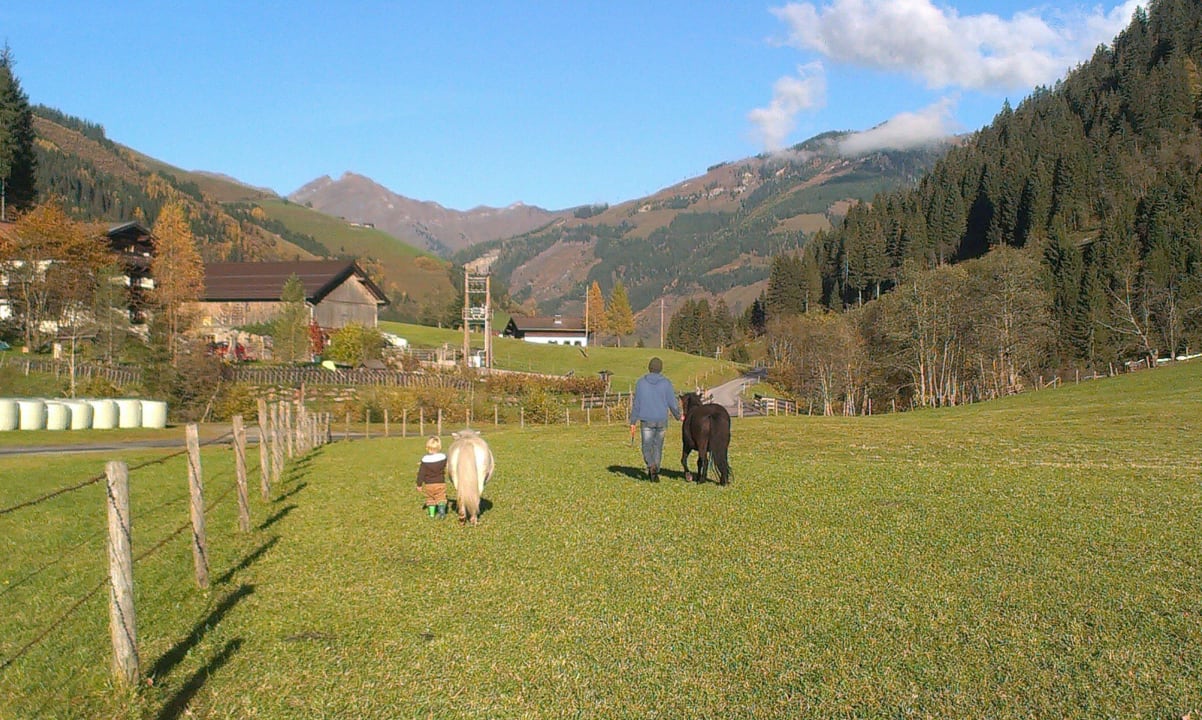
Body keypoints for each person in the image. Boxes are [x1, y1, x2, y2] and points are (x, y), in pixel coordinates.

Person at [629, 357, 681, 481]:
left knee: (646, 447)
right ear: (660, 368)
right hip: (661, 419)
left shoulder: (641, 383)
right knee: (658, 446)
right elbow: (672, 403)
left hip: (646, 419)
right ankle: (655, 470)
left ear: (649, 368)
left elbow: (637, 404)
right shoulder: (666, 383)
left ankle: (651, 465)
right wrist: (678, 416)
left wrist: (633, 421)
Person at [416, 435, 448, 518]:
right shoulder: (443, 457)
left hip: (428, 484)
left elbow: (421, 473)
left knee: (430, 499)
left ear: (427, 447)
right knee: (441, 497)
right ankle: (441, 512)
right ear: (439, 447)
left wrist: (419, 484)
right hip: (440, 483)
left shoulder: (425, 460)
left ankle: (432, 514)